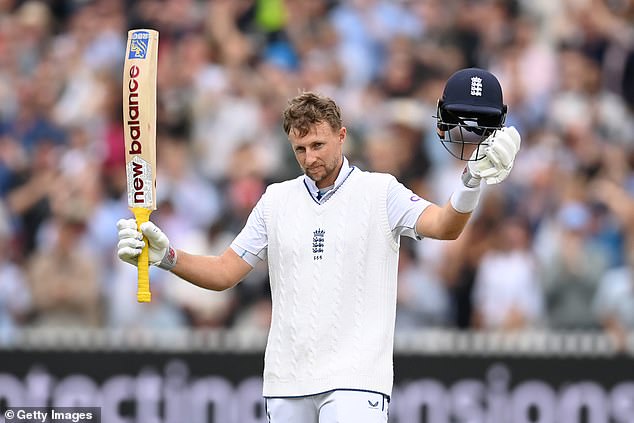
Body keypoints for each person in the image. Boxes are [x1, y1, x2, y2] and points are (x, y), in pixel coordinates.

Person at [117, 68, 521, 422]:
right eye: (300, 149)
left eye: (318, 146)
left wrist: (472, 181)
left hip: (356, 380)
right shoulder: (275, 200)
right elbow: (225, 272)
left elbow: (445, 226)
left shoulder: (380, 192)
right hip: (285, 379)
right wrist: (166, 257)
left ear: (341, 136)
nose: (310, 158)